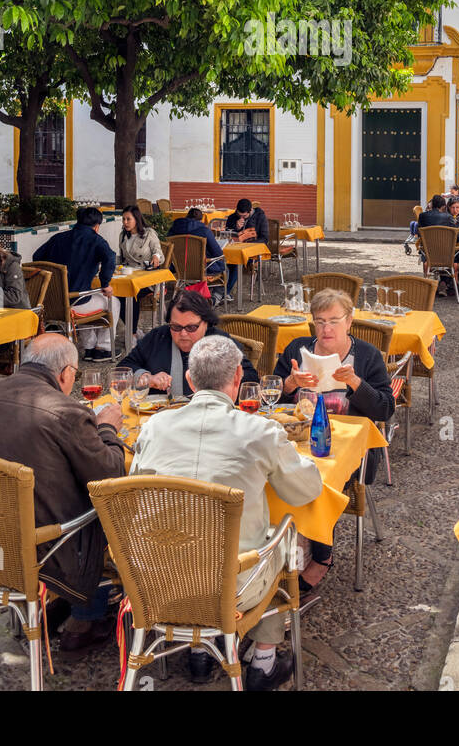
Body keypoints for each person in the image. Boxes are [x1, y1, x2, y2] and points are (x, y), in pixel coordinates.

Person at [130, 333, 322, 690]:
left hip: (157, 582)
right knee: (281, 532)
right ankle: (262, 662)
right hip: (232, 587)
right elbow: (306, 490)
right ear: (237, 378)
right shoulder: (261, 431)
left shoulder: (154, 426)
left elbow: (135, 489)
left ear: (189, 380)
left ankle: (200, 648)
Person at [0, 333, 126, 654]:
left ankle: (63, 602)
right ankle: (86, 617)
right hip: (45, 548)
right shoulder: (66, 411)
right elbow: (110, 475)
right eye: (74, 375)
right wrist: (107, 427)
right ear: (66, 373)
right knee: (106, 508)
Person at [273, 288, 395, 594]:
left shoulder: (366, 356)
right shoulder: (297, 349)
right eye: (320, 321)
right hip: (297, 440)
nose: (326, 329)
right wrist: (290, 383)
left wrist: (354, 382)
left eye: (334, 321)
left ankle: (322, 555)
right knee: (273, 472)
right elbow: (271, 396)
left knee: (314, 478)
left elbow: (385, 408)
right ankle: (277, 555)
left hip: (351, 451)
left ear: (350, 321)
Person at [117, 288, 259, 392]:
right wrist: (148, 378)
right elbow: (123, 369)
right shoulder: (157, 338)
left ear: (206, 323)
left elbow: (252, 378)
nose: (183, 334)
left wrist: (222, 377)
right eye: (176, 327)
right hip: (162, 419)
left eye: (191, 328)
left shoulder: (221, 342)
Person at [33, 206, 116, 357]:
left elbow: (36, 256)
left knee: (88, 296)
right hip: (75, 303)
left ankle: (89, 346)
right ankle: (104, 348)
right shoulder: (97, 241)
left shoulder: (57, 238)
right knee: (113, 302)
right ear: (97, 226)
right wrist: (105, 284)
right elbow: (110, 258)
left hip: (50, 304)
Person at [168, 206, 227, 294]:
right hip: (202, 269)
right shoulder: (205, 231)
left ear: (186, 217)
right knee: (225, 267)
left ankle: (191, 293)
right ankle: (216, 297)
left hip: (179, 269)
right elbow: (217, 253)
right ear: (201, 220)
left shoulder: (173, 229)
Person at [224, 198, 270, 299]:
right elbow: (227, 233)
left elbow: (265, 238)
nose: (241, 217)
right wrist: (236, 227)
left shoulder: (260, 217)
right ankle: (218, 291)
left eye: (244, 216)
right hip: (235, 249)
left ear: (250, 211)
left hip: (252, 251)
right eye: (239, 214)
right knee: (220, 261)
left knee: (236, 263)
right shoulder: (233, 217)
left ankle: (224, 292)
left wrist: (248, 245)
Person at [119, 204, 164, 270]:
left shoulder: (149, 233)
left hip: (146, 272)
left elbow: (158, 251)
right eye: (123, 219)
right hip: (128, 272)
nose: (125, 222)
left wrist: (156, 256)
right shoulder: (122, 235)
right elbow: (122, 259)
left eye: (128, 219)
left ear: (136, 219)